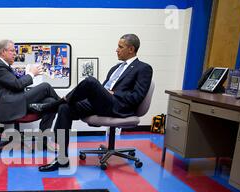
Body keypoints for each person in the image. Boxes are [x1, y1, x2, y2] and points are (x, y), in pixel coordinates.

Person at [38, 34, 153, 171]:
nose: (116, 50)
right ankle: (62, 158)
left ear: (131, 49)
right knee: (65, 107)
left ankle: (52, 106)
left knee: (90, 81)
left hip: (119, 107)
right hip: (102, 104)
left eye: (120, 47)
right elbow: (104, 90)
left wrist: (115, 93)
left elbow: (137, 97)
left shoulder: (144, 68)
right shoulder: (115, 68)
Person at [0, 39, 62, 137]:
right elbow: (18, 84)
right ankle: (64, 105)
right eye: (12, 51)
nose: (15, 54)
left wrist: (30, 75)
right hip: (10, 105)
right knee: (45, 86)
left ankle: (43, 140)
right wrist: (31, 73)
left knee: (51, 102)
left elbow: (15, 85)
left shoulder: (4, 66)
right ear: (3, 52)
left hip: (15, 100)